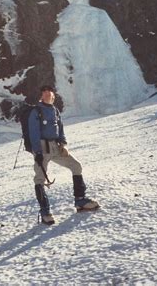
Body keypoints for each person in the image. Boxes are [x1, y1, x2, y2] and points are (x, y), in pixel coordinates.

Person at [29, 85, 99, 224]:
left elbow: (60, 128)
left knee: (76, 166)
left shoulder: (54, 110)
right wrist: (37, 152)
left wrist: (63, 143)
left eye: (50, 91)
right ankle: (45, 213)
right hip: (42, 148)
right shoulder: (36, 111)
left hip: (56, 146)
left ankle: (80, 200)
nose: (48, 94)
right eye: (45, 92)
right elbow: (33, 132)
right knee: (40, 179)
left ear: (53, 95)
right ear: (41, 96)